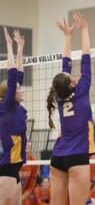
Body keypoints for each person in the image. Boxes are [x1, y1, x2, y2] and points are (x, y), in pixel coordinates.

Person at [47, 12, 95, 205]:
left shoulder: (59, 96)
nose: (72, 75)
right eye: (70, 76)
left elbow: (65, 65)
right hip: (77, 155)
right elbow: (86, 58)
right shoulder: (82, 89)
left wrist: (68, 37)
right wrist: (84, 30)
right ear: (73, 84)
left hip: (58, 155)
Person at [0, 28, 27, 205]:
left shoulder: (16, 107)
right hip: (6, 167)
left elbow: (18, 76)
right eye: (17, 89)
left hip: (14, 167)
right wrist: (9, 46)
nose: (21, 89)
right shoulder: (6, 105)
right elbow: (12, 76)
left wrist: (20, 48)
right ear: (8, 93)